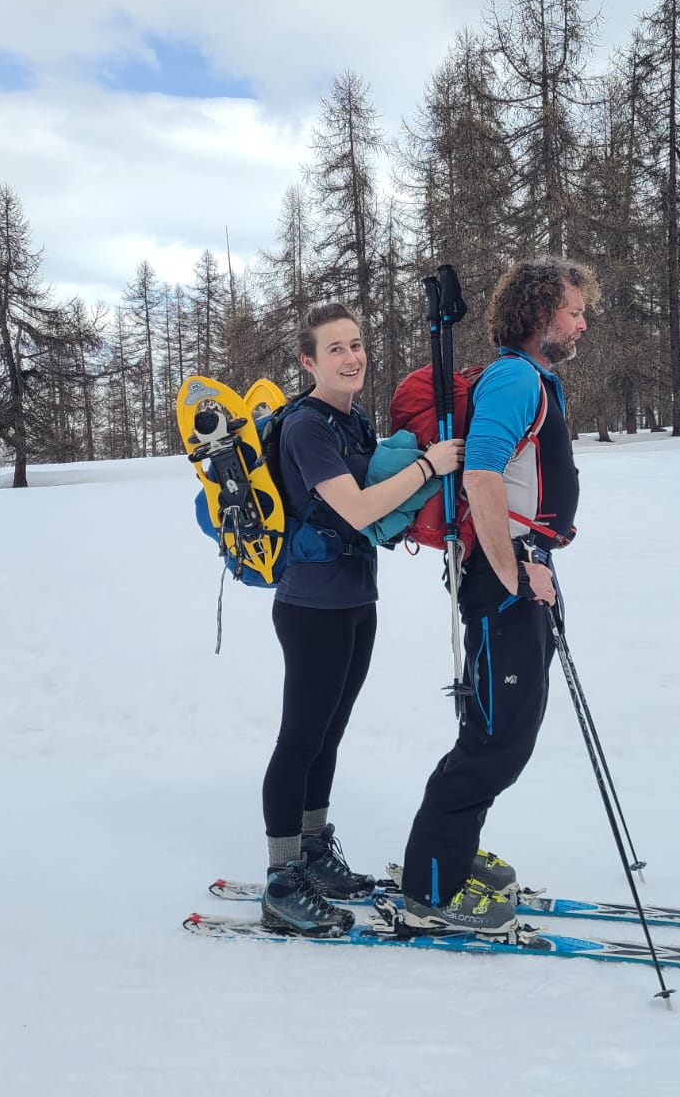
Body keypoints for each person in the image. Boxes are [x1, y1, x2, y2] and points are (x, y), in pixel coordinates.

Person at [397, 257, 595, 935]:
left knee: (500, 730)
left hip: (523, 573)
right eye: (573, 310)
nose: (581, 322)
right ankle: (431, 888)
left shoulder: (536, 379)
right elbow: (481, 476)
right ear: (541, 314)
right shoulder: (515, 377)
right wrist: (516, 574)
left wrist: (533, 568)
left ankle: (448, 857)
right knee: (496, 741)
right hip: (505, 579)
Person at [259, 301, 463, 937]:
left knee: (330, 733)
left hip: (354, 599)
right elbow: (354, 509)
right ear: (308, 361)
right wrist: (430, 466)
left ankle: (314, 851)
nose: (352, 357)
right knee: (300, 738)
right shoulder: (306, 429)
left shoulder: (355, 421)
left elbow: (378, 510)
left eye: (356, 344)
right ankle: (281, 879)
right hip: (310, 604)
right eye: (336, 349)